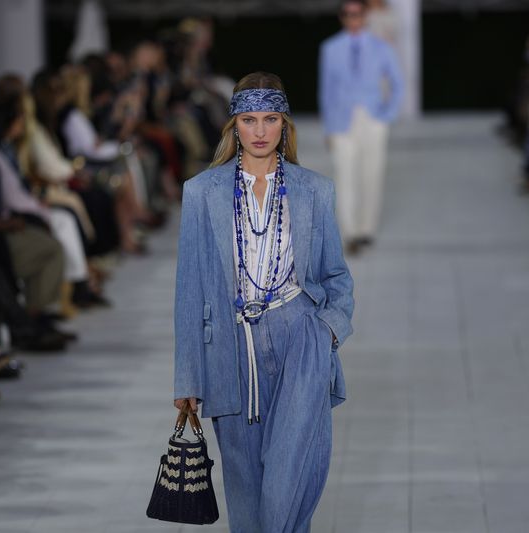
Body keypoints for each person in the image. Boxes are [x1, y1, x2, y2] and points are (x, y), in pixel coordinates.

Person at [172, 72, 354, 533]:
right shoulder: (201, 193)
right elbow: (189, 290)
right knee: (245, 486)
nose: (259, 130)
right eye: (249, 119)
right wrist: (188, 375)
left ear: (284, 126)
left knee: (289, 476)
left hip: (300, 337)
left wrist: (327, 329)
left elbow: (336, 274)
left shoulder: (314, 189)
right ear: (234, 125)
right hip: (230, 348)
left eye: (270, 118)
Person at [319, 0, 404, 255]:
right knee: (344, 175)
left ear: (365, 16)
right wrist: (329, 127)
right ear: (342, 17)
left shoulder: (382, 48)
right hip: (342, 120)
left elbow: (398, 83)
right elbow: (326, 90)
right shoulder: (330, 48)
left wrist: (386, 115)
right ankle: (350, 232)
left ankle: (367, 228)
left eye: (357, 13)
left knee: (372, 173)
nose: (352, 17)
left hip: (372, 118)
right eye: (347, 13)